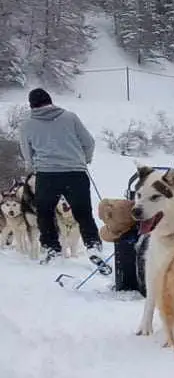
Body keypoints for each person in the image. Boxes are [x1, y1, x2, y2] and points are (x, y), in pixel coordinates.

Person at [20, 87, 103, 263]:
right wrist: (84, 160)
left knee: (45, 213)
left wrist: (34, 166)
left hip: (47, 175)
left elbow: (27, 153)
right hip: (75, 173)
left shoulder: (27, 125)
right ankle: (93, 245)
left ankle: (52, 248)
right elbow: (89, 142)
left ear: (31, 106)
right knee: (83, 212)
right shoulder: (70, 117)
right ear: (51, 101)